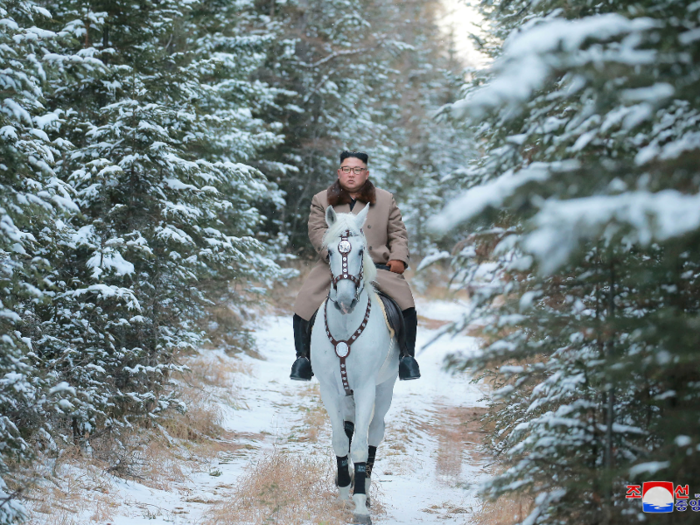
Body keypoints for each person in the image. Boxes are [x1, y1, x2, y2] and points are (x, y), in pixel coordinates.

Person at [290, 150, 421, 382]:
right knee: (304, 303)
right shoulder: (321, 200)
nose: (352, 174)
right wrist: (333, 254)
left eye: (357, 170)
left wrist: (399, 257)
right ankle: (303, 359)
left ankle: (406, 358)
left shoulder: (385, 199)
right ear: (339, 172)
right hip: (334, 265)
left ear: (366, 173)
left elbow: (398, 233)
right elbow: (317, 232)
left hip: (378, 267)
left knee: (406, 305)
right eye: (347, 169)